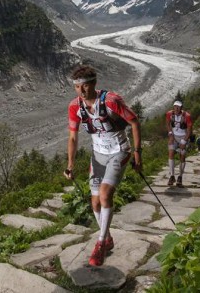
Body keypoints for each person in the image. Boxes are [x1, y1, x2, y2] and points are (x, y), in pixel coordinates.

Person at [64, 65, 141, 267]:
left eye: (84, 86)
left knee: (106, 195)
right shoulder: (74, 106)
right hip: (98, 155)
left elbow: (134, 121)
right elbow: (73, 137)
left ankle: (100, 244)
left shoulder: (111, 101)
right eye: (77, 87)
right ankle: (107, 238)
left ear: (93, 84)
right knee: (95, 203)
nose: (81, 90)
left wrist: (137, 153)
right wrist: (70, 165)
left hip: (118, 151)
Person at [165, 100, 192, 187]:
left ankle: (180, 176)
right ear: (173, 107)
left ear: (181, 108)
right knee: (171, 153)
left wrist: (184, 141)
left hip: (183, 137)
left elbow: (189, 130)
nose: (176, 108)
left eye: (178, 107)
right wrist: (170, 134)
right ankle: (172, 176)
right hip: (174, 137)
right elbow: (168, 124)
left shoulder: (187, 116)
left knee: (182, 156)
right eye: (175, 106)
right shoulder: (169, 114)